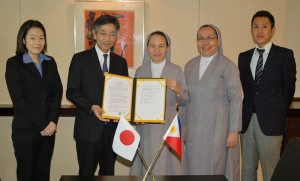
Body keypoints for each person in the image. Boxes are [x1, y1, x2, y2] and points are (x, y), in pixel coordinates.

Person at [66, 14, 128, 175]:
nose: (108, 38)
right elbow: (71, 91)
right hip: (88, 129)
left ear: (117, 36)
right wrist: (91, 106)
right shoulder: (80, 59)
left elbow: (125, 94)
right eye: (103, 33)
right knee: (86, 173)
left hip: (112, 131)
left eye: (112, 33)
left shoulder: (120, 63)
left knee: (108, 173)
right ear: (94, 34)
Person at [238, 10, 296, 181]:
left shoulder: (284, 55)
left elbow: (289, 90)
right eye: (256, 27)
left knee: (271, 171)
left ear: (272, 30)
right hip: (247, 121)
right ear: (251, 30)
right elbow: (247, 89)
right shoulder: (243, 57)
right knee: (247, 170)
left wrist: (275, 111)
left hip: (271, 122)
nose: (260, 31)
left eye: (264, 26)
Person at [180, 24, 242, 181]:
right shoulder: (189, 65)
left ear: (218, 41)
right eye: (201, 38)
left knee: (216, 165)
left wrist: (234, 130)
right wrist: (184, 126)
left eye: (210, 38)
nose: (205, 42)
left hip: (219, 127)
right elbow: (185, 99)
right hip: (194, 126)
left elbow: (236, 98)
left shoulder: (228, 65)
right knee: (194, 164)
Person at [5, 20, 63, 181]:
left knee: (43, 173)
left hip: (48, 130)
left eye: (41, 37)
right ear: (23, 40)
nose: (37, 42)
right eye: (32, 38)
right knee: (26, 174)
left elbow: (57, 93)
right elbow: (19, 100)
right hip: (25, 130)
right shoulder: (14, 64)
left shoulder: (50, 62)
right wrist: (43, 124)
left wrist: (51, 122)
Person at [129, 31, 188, 175]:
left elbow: (185, 100)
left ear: (167, 48)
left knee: (168, 165)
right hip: (146, 126)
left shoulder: (176, 70)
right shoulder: (141, 70)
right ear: (147, 48)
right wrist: (137, 117)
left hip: (168, 125)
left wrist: (178, 90)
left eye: (161, 46)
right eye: (152, 46)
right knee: (147, 162)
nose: (156, 50)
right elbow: (134, 101)